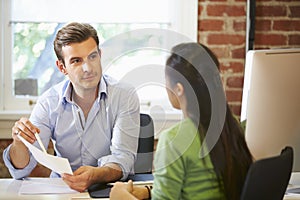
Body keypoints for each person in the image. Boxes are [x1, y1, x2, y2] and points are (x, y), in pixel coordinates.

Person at [2, 22, 140, 192]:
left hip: (106, 190)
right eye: (76, 61)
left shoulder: (124, 95)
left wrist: (95, 175)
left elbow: (123, 159)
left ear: (100, 55)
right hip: (62, 190)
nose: (88, 68)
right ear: (62, 67)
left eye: (92, 56)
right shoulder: (48, 102)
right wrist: (19, 142)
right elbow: (22, 170)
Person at [110, 43, 253, 200]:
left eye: (166, 80)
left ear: (179, 88)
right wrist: (151, 192)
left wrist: (121, 196)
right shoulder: (232, 126)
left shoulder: (174, 140)